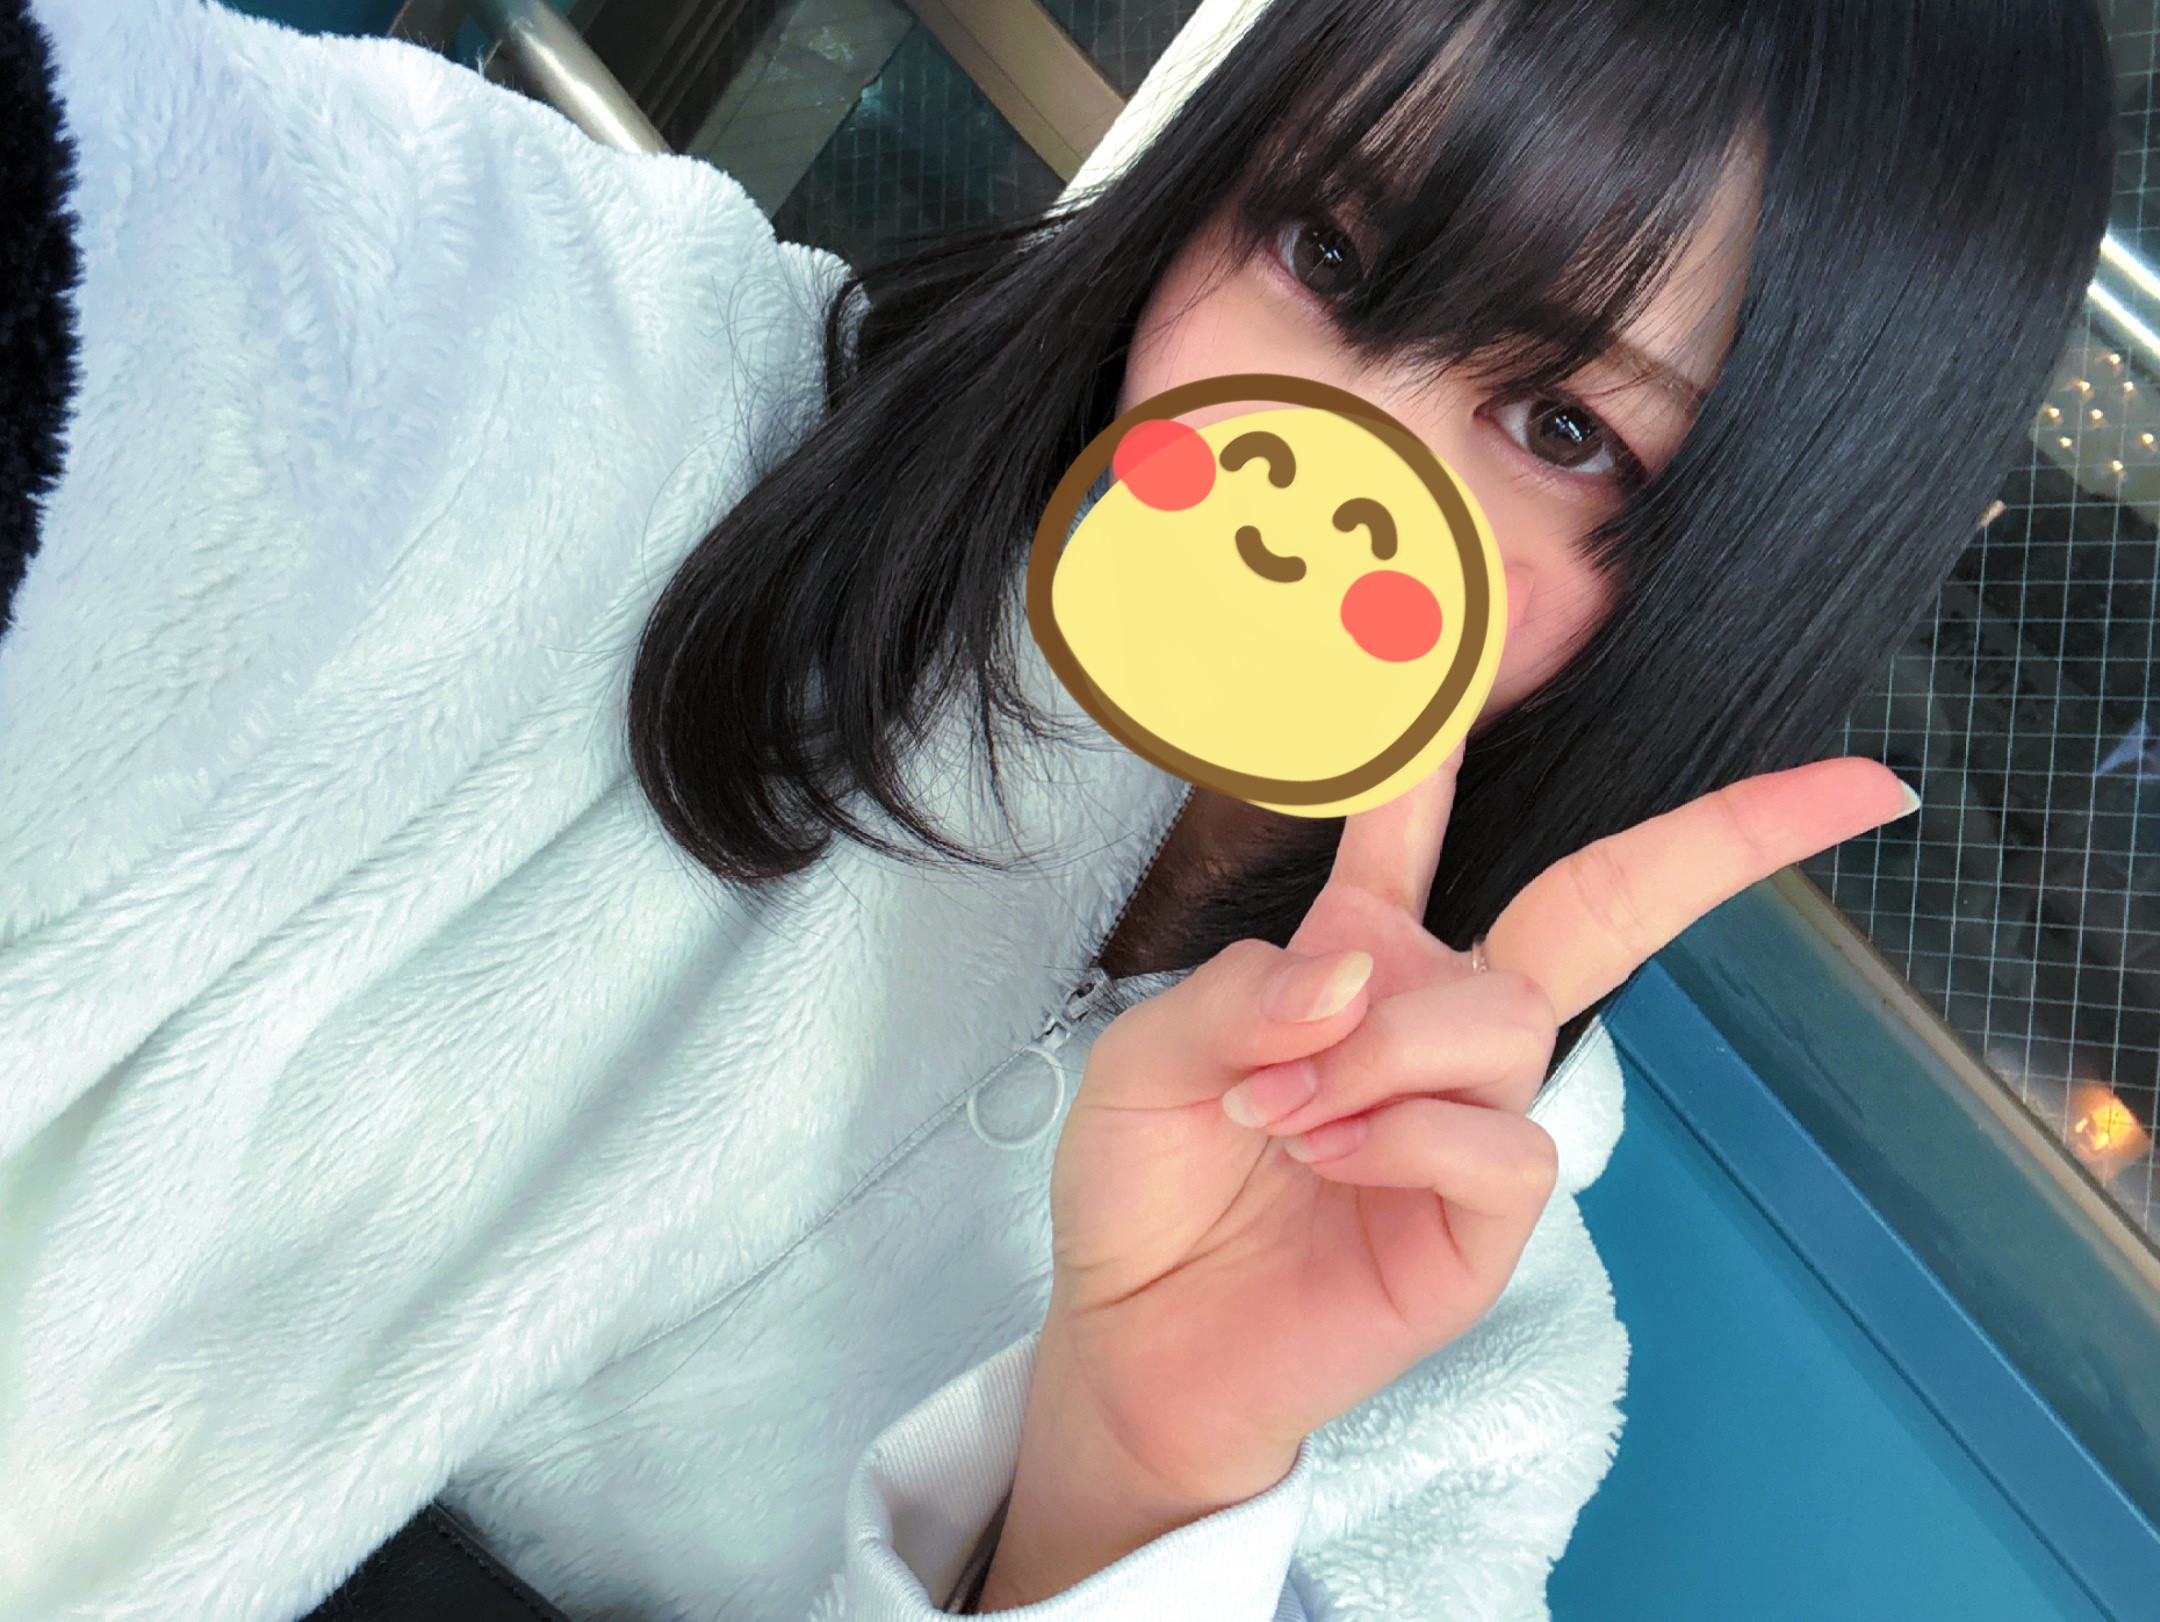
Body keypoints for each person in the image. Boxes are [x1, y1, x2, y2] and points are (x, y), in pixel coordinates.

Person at [0, 0, 2111, 1619]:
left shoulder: (1442, 1334)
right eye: (1327, 248)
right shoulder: (603, 380)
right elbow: (182, 232)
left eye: (1562, 427)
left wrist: (1132, 1484)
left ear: (1748, 572)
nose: (1320, 462)